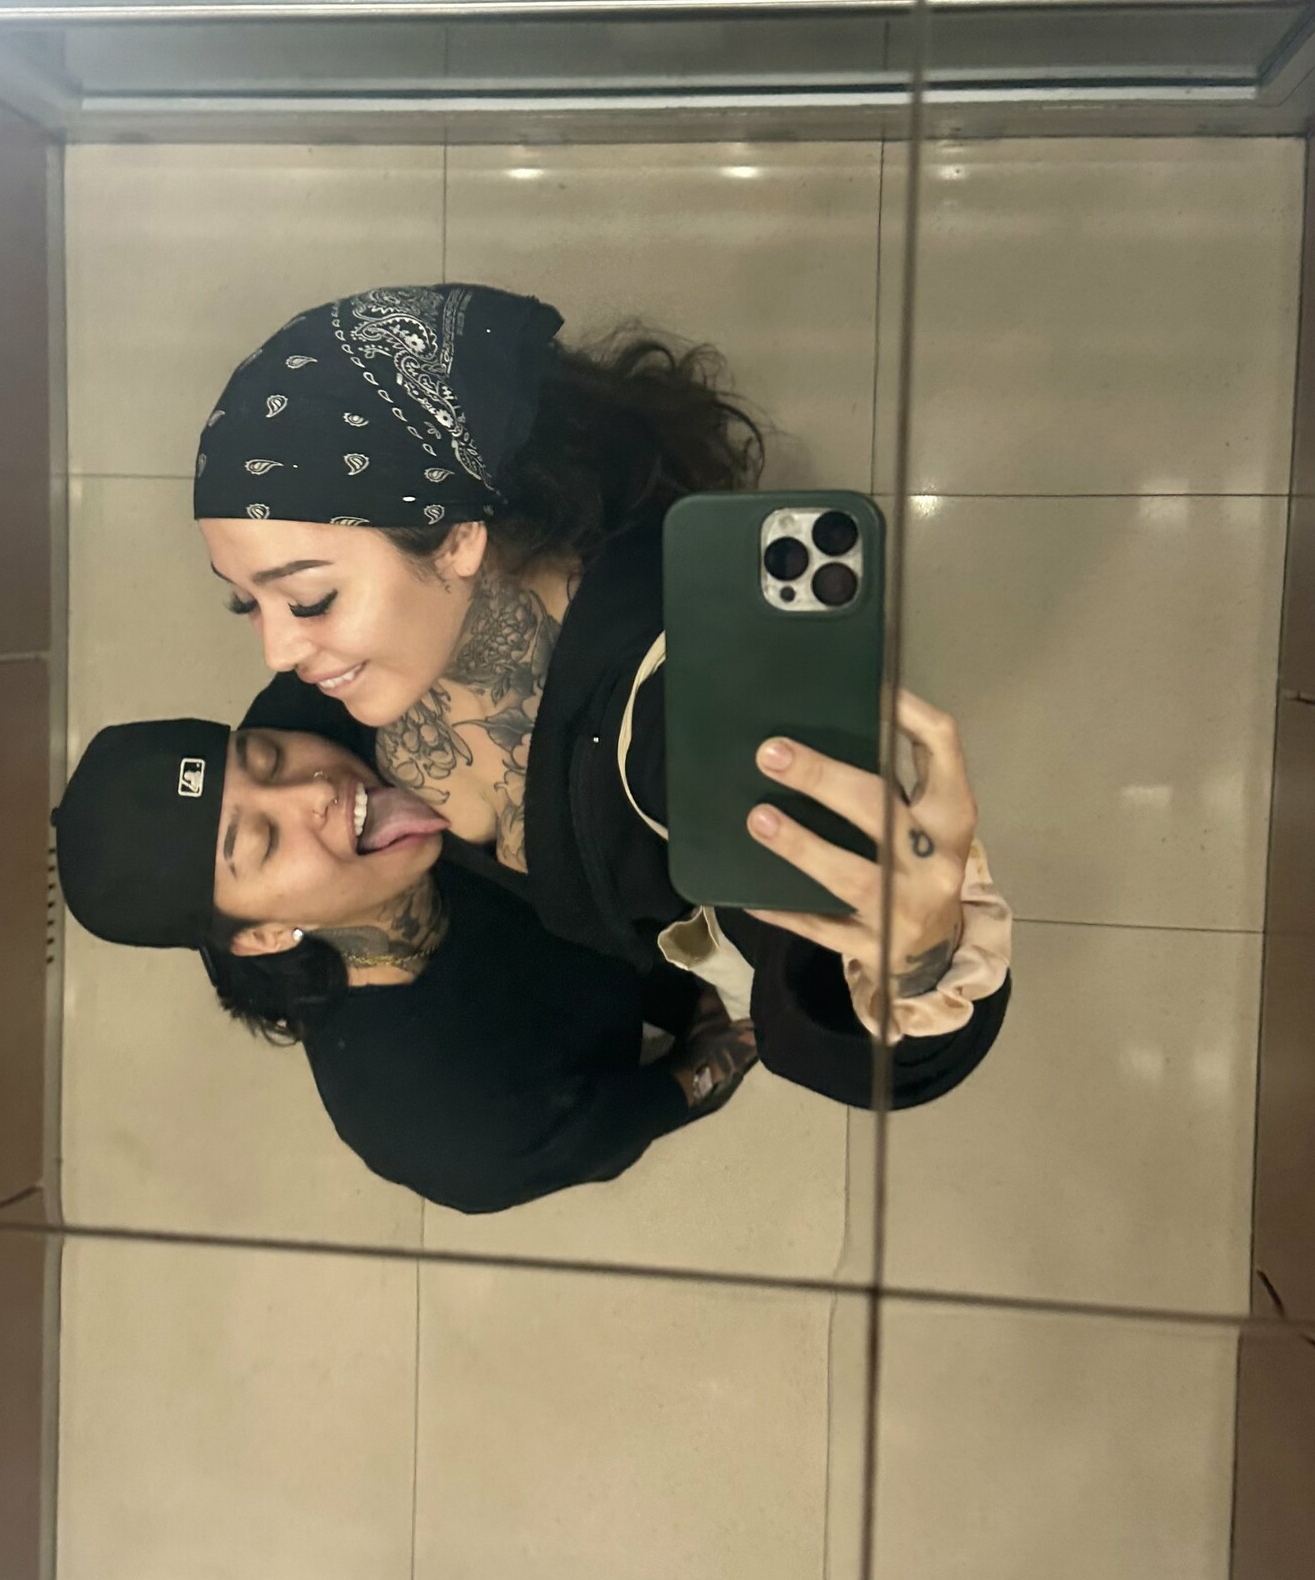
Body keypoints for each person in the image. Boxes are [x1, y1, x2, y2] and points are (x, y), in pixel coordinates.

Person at [192, 284, 1013, 1110]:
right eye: (244, 602)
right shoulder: (356, 693)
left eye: (308, 600)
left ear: (456, 538)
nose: (276, 651)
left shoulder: (685, 725)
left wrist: (919, 958)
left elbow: (846, 1031)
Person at [52, 716, 758, 1215]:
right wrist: (713, 1050)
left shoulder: (342, 708)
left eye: (266, 757)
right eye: (264, 842)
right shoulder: (435, 1118)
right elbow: (635, 1112)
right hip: (633, 1014)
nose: (316, 791)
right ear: (263, 935)